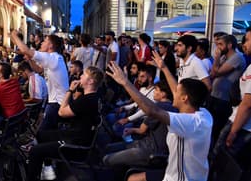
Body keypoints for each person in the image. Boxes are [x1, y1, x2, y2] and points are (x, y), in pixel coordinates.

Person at [107, 61, 212, 181]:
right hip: (184, 173)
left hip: (181, 177)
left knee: (131, 178)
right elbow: (175, 92)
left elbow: (152, 110)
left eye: (177, 92)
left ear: (185, 98)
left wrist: (125, 83)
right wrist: (164, 68)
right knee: (132, 177)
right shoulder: (203, 114)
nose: (173, 93)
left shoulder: (189, 122)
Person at [27, 66, 103, 181]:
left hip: (75, 144)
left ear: (91, 81)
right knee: (41, 135)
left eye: (84, 75)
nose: (80, 76)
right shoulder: (95, 97)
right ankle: (48, 169)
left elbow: (61, 112)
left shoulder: (86, 100)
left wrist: (70, 90)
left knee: (34, 151)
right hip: (80, 136)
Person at [103, 81, 177, 168]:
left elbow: (142, 130)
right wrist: (132, 130)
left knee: (107, 158)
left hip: (148, 150)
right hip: (147, 145)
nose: (154, 92)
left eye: (156, 90)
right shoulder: (172, 107)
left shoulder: (158, 108)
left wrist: (131, 128)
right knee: (109, 148)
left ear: (163, 94)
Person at [211, 27, 251, 176]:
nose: (244, 44)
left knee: (223, 160)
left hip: (241, 125)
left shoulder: (238, 58)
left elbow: (247, 104)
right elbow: (213, 73)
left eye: (247, 40)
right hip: (240, 122)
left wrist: (233, 131)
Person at [10, 30, 69, 130]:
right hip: (56, 101)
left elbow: (25, 50)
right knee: (49, 132)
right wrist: (30, 59)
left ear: (50, 46)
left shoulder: (52, 57)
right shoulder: (55, 58)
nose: (42, 43)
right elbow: (39, 70)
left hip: (57, 102)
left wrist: (15, 36)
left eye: (45, 41)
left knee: (42, 133)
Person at [209, 33, 245, 144]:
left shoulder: (237, 57)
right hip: (215, 96)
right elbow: (212, 75)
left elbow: (217, 72)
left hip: (224, 99)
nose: (217, 47)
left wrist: (216, 59)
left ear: (229, 45)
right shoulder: (224, 57)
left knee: (217, 128)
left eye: (220, 44)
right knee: (212, 127)